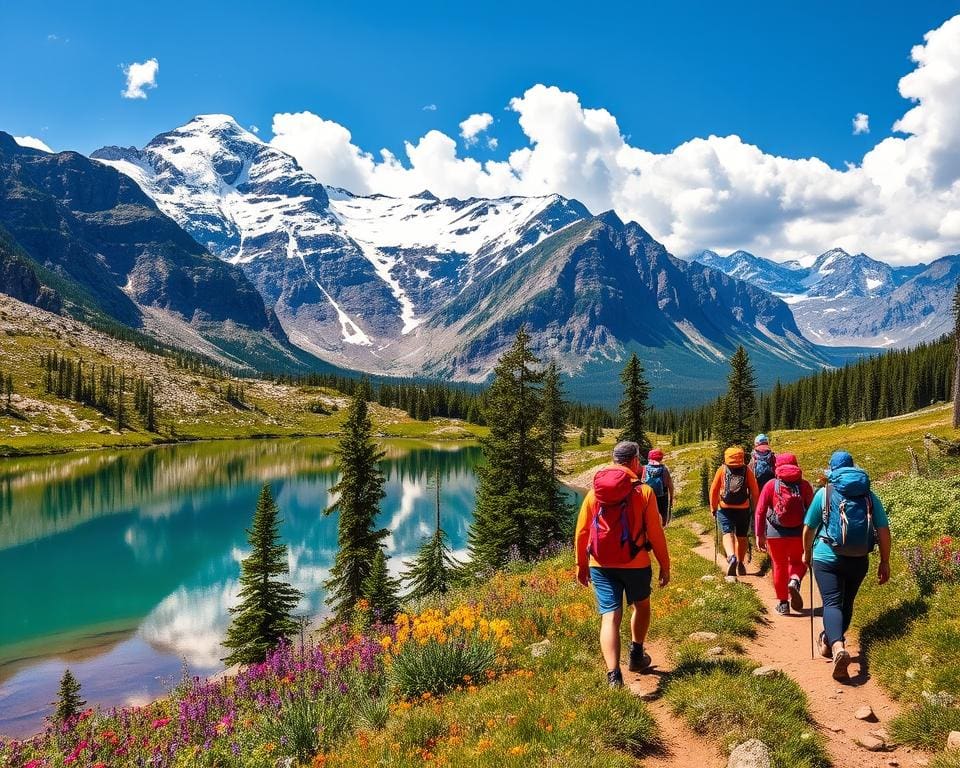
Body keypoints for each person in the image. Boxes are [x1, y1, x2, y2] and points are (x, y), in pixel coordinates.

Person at [575, 441, 671, 688]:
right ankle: (637, 654)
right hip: (636, 562)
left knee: (610, 617)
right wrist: (664, 564)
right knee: (641, 605)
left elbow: (582, 532)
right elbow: (656, 533)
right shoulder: (644, 492)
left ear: (614, 460)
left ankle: (613, 675)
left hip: (601, 563)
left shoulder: (594, 493)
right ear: (635, 462)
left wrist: (581, 565)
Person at [802, 450, 891, 681]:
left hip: (827, 555)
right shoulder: (869, 495)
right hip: (859, 558)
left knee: (831, 603)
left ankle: (838, 646)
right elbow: (883, 530)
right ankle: (831, 640)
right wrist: (885, 561)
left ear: (831, 470)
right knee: (846, 602)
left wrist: (806, 552)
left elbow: (809, 527)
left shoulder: (824, 492)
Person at [755, 453, 813, 615]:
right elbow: (813, 512)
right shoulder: (805, 485)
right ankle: (794, 580)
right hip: (799, 533)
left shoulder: (770, 485)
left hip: (775, 533)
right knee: (799, 561)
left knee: (779, 565)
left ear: (776, 467)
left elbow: (760, 511)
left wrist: (759, 535)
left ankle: (783, 603)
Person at [710, 446, 760, 577]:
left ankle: (731, 556)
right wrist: (756, 508)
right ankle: (740, 563)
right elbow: (755, 491)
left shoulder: (722, 469)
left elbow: (714, 490)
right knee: (742, 536)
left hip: (725, 507)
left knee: (727, 533)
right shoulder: (747, 470)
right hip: (743, 508)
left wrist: (713, 507)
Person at [641, 448, 674, 527]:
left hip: (649, 495)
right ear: (660, 458)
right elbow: (670, 485)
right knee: (662, 512)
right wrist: (671, 497)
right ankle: (662, 528)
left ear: (649, 457)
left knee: (650, 513)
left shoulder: (645, 468)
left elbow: (642, 482)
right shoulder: (664, 469)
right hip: (662, 495)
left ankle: (650, 528)